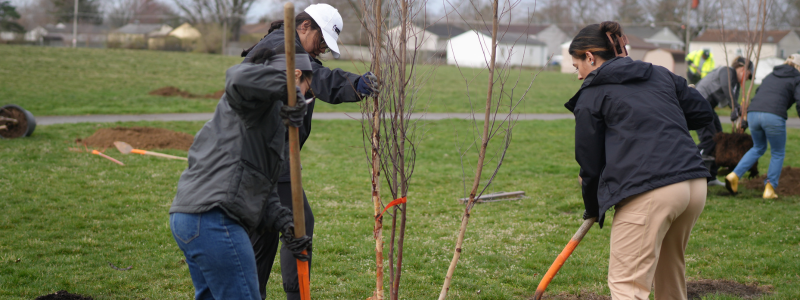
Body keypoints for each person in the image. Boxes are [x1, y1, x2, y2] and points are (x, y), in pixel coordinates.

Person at [566, 21, 715, 300]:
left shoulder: (593, 93)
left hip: (651, 188)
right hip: (694, 184)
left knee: (627, 286)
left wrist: (592, 207)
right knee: (669, 274)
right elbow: (703, 112)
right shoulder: (660, 74)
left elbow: (589, 164)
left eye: (577, 67)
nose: (578, 76)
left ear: (590, 56)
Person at [240, 4, 380, 300]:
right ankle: (297, 295)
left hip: (257, 157)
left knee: (264, 232)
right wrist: (354, 84)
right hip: (267, 157)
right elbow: (316, 78)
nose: (323, 51)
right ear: (305, 27)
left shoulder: (281, 44)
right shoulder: (282, 49)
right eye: (322, 42)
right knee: (298, 225)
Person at [169, 46, 314, 300]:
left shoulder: (274, 125)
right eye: (305, 90)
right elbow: (237, 77)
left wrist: (285, 225)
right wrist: (289, 90)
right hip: (215, 218)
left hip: (191, 218)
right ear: (295, 76)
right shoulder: (249, 102)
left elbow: (262, 188)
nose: (305, 99)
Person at [725, 54, 800, 199]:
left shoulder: (771, 75)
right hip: (773, 116)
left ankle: (734, 175)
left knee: (758, 147)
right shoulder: (797, 77)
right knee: (778, 152)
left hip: (753, 113)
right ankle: (770, 189)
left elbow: (758, 94)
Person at [694, 56, 754, 186]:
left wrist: (743, 118)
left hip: (708, 106)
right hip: (699, 103)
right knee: (709, 139)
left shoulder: (736, 85)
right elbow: (726, 87)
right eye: (748, 75)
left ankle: (711, 177)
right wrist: (734, 106)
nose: (746, 80)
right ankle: (689, 165)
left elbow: (735, 103)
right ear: (743, 69)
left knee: (719, 139)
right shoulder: (726, 71)